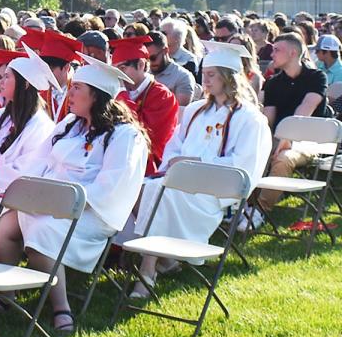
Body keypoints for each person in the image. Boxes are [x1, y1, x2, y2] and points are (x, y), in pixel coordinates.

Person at [0, 54, 148, 334]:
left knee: (42, 229)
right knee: (1, 227)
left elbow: (111, 186)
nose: (69, 93)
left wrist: (63, 201)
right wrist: (28, 192)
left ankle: (61, 308)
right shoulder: (69, 126)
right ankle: (7, 294)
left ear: (96, 96)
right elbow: (38, 163)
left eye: (77, 89)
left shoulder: (124, 136)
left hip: (91, 212)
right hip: (49, 203)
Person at [129, 42, 271, 296]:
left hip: (216, 190)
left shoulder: (250, 118)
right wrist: (177, 163)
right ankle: (166, 260)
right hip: (180, 181)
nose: (204, 80)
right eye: (203, 74)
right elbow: (174, 147)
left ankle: (147, 269)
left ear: (229, 78)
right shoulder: (196, 110)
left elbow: (243, 167)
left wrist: (194, 163)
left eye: (211, 75)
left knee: (162, 194)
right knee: (143, 188)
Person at [0, 45, 58, 261]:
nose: (1, 80)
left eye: (7, 76)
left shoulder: (42, 127)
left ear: (25, 83)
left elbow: (26, 173)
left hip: (9, 194)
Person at [252, 32, 329, 222]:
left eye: (277, 50)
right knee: (252, 149)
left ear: (293, 53)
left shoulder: (316, 77)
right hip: (280, 136)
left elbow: (305, 110)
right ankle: (244, 205)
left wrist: (287, 138)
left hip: (311, 140)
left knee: (283, 158)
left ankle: (259, 211)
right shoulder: (273, 83)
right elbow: (269, 119)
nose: (272, 54)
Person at [111, 36, 179, 175]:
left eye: (122, 68)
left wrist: (122, 95)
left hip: (146, 166)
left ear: (141, 65)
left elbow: (145, 138)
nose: (118, 75)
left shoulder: (162, 97)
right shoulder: (116, 92)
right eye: (114, 69)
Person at [147, 31, 195, 106]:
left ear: (166, 51)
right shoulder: (144, 72)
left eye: (153, 58)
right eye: (146, 58)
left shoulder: (183, 77)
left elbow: (178, 111)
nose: (150, 62)